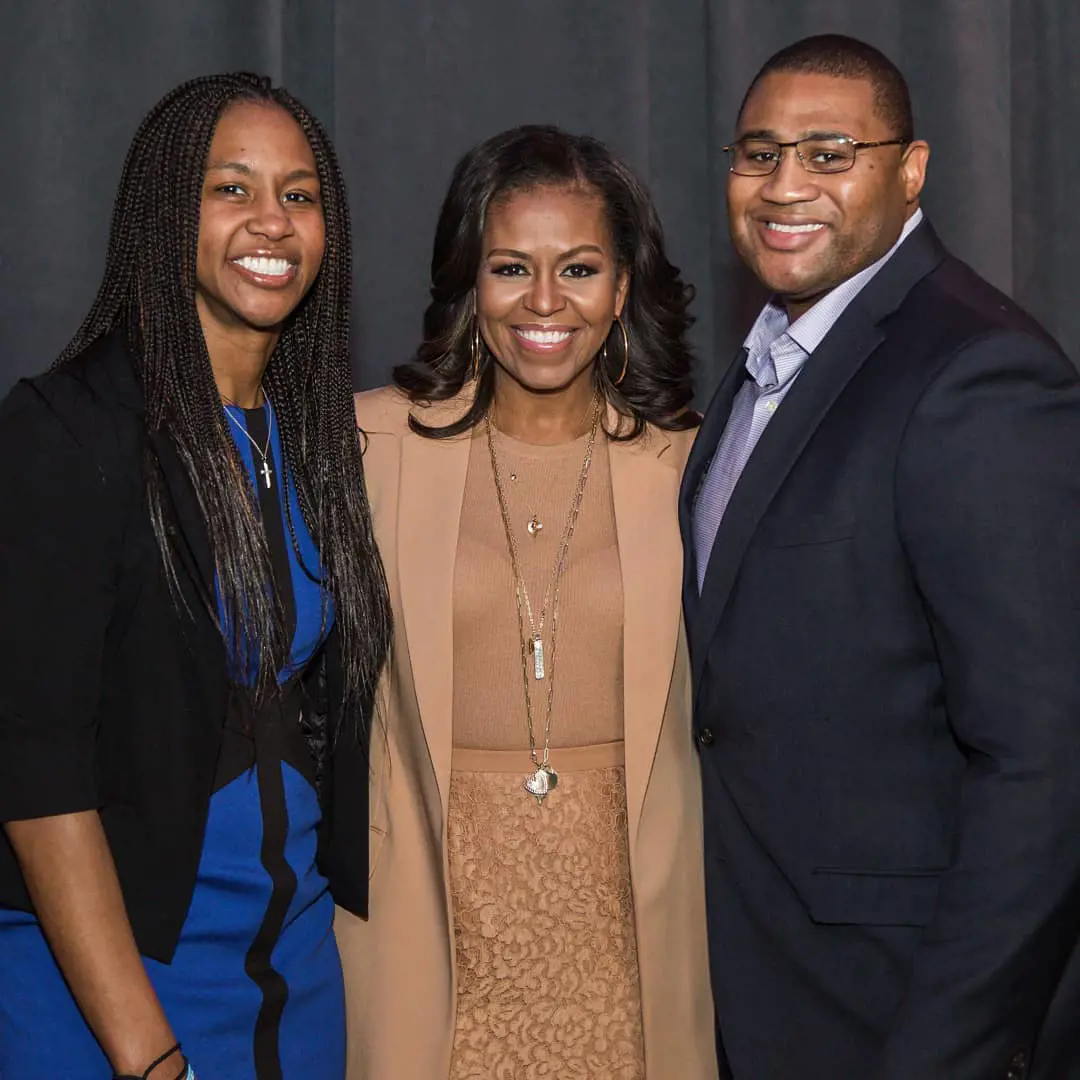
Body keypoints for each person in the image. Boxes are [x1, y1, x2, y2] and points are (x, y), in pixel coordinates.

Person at [684, 33, 1080, 1080]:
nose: (784, 186)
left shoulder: (976, 373)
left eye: (829, 152)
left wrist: (948, 1049)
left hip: (897, 1016)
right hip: (764, 991)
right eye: (758, 153)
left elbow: (1046, 764)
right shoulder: (768, 362)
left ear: (910, 171)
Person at [0, 73, 392, 1080]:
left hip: (295, 986)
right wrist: (148, 1054)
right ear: (164, 211)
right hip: (111, 998)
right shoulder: (66, 432)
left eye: (300, 194)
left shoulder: (319, 441)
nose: (273, 220)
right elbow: (35, 769)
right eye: (232, 189)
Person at [335, 124, 717, 1080]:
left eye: (579, 268)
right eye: (511, 266)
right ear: (470, 278)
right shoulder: (363, 447)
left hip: (631, 930)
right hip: (431, 923)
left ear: (623, 286)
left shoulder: (694, 463)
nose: (544, 302)